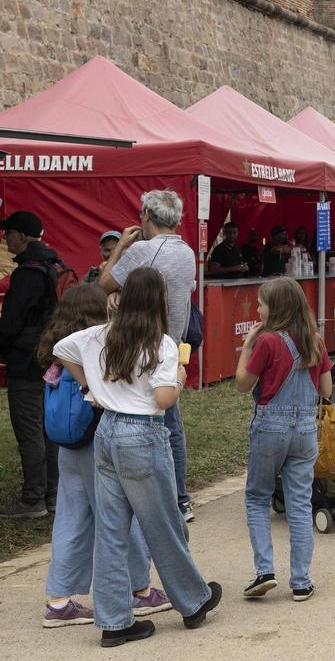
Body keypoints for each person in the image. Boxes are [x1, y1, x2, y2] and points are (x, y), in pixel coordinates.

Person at [53, 267, 220, 646]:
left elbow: (60, 349)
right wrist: (178, 374)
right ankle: (193, 602)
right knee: (162, 523)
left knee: (111, 530)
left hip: (107, 431)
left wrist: (87, 384)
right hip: (141, 434)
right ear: (159, 301)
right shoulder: (160, 344)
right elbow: (163, 399)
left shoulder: (99, 335)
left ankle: (114, 621)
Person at [38, 284, 169, 629]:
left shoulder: (58, 353)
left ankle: (58, 599)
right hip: (98, 442)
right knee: (119, 517)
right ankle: (140, 589)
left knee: (70, 518)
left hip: (67, 446)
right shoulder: (96, 345)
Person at [100, 190, 198, 522]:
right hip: (173, 343)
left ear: (145, 215)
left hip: (141, 346)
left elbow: (103, 284)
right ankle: (180, 499)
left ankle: (162, 500)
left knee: (144, 421)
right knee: (171, 423)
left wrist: (120, 250)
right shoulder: (187, 252)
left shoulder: (142, 250)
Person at [235, 277, 331, 602]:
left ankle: (265, 571)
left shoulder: (267, 342)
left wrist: (248, 344)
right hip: (305, 428)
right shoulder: (315, 340)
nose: (258, 308)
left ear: (274, 308)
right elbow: (327, 391)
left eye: (260, 303)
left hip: (270, 427)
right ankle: (301, 581)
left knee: (257, 497)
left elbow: (242, 384)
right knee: (300, 504)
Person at [0, 210, 62, 518]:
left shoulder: (27, 273)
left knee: (29, 430)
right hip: (48, 359)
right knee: (46, 428)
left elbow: (11, 322)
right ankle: (52, 494)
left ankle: (32, 499)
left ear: (22, 236)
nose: (5, 238)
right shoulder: (53, 265)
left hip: (25, 362)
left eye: (8, 232)